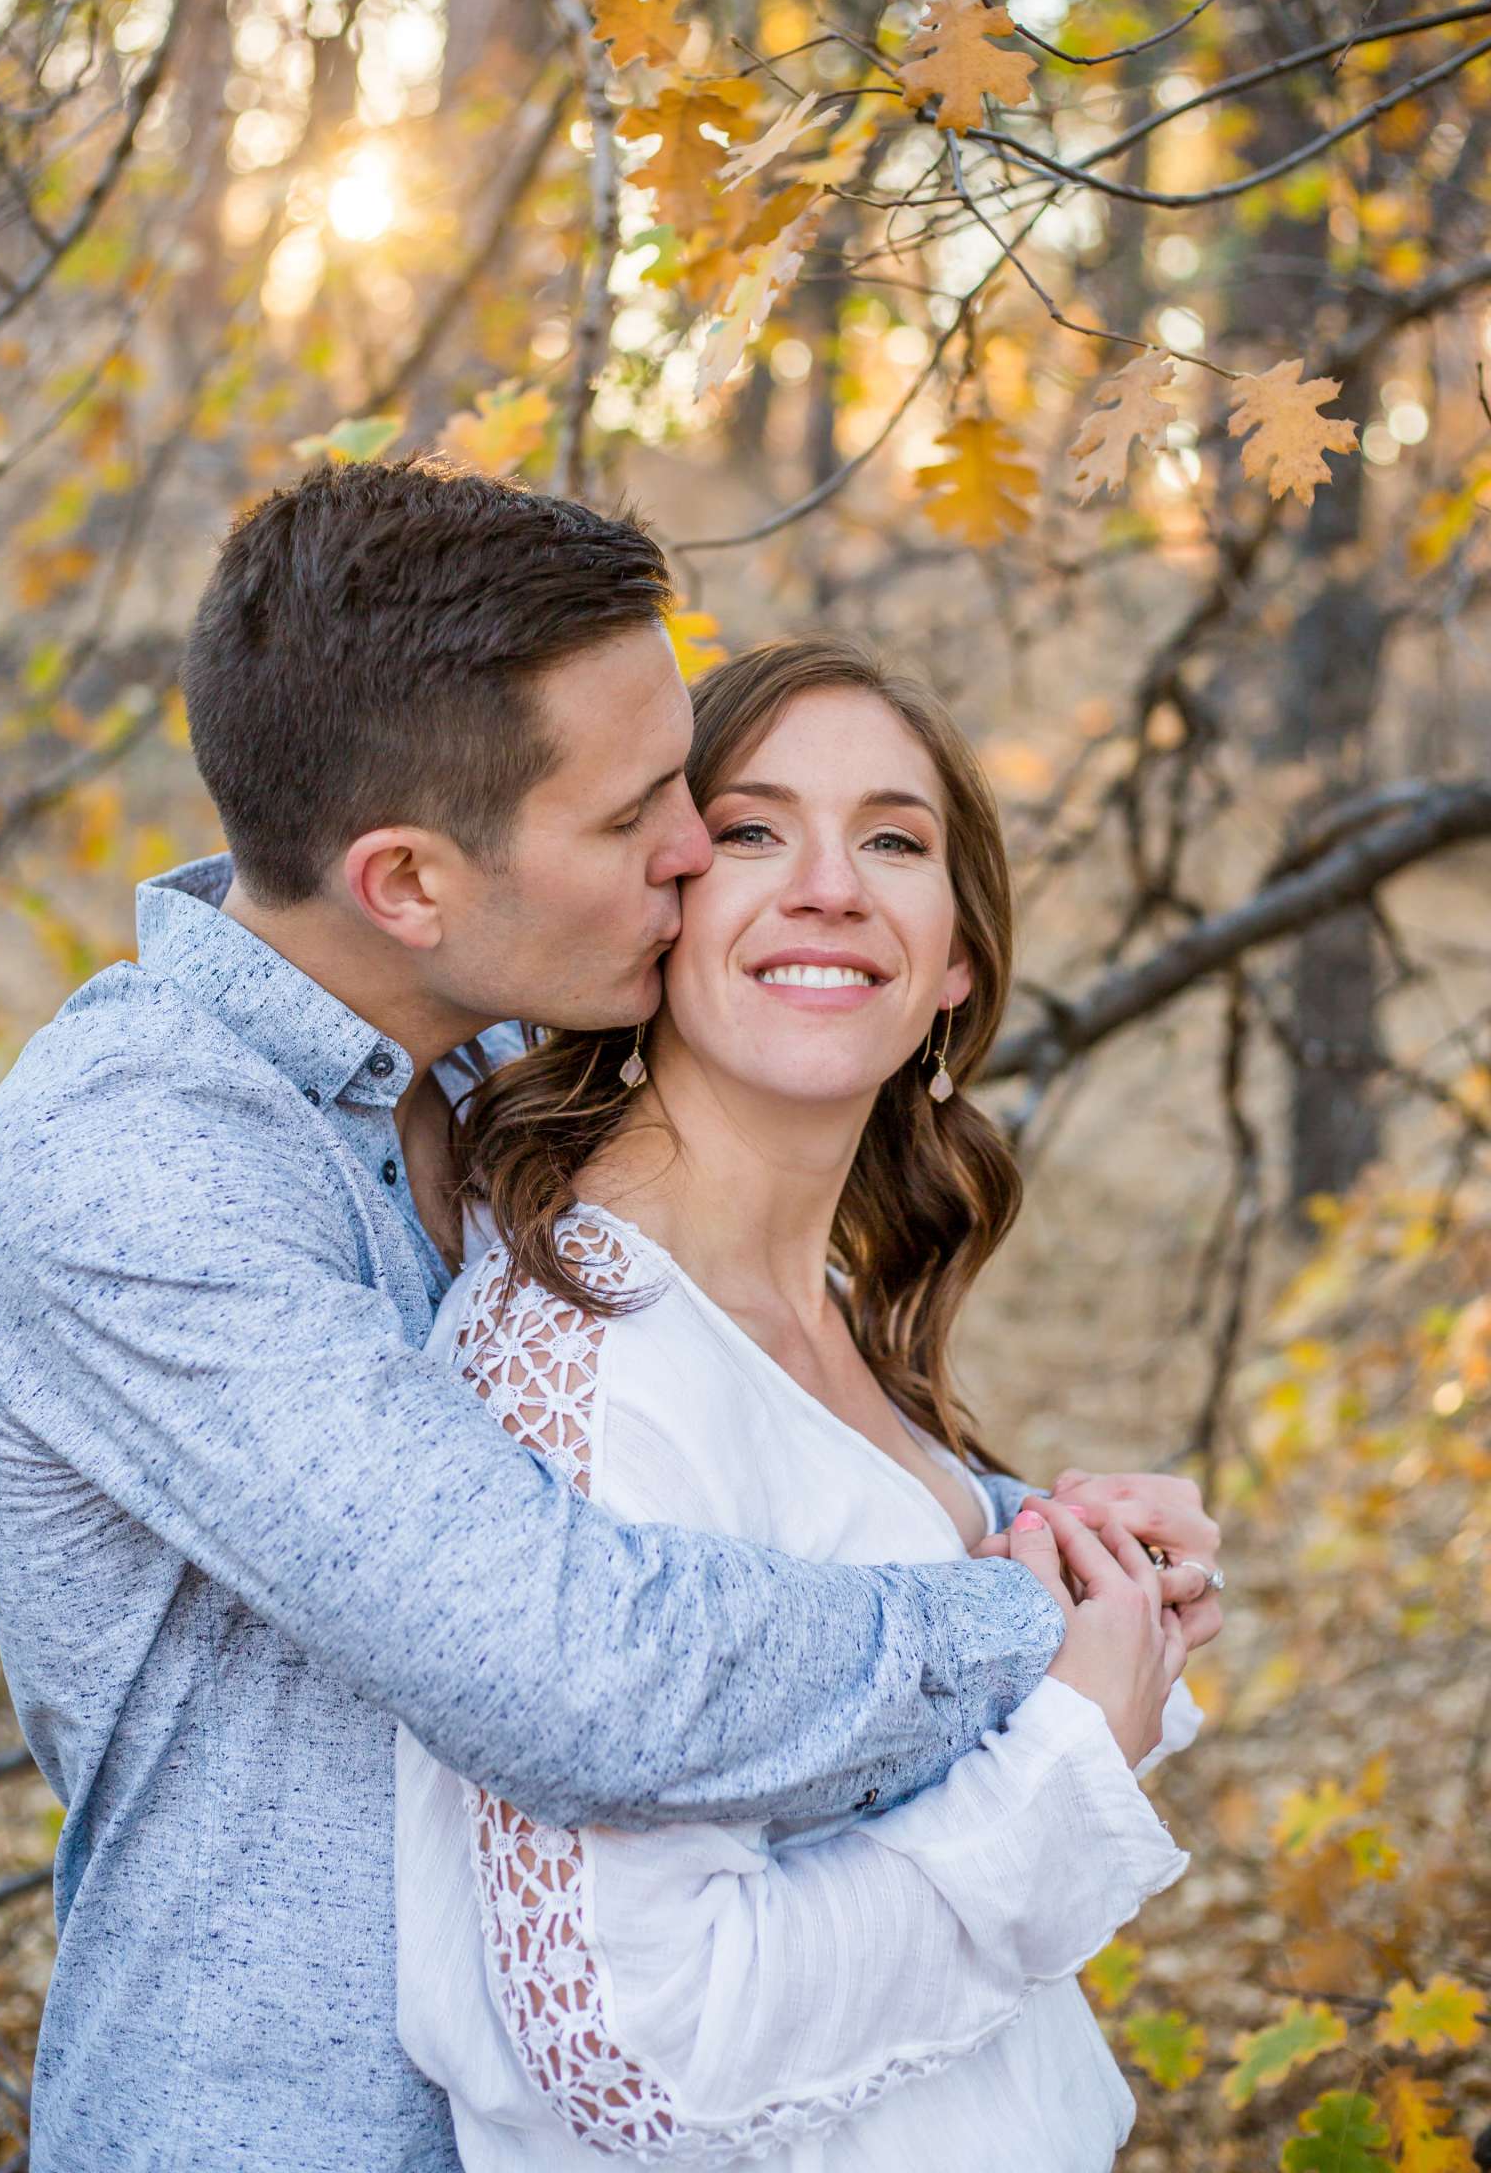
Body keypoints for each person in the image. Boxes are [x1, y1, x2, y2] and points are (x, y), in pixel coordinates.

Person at [0, 459, 1220, 2173]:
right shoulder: (138, 1167)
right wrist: (1019, 1631)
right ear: (406, 883)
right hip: (288, 2128)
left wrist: (1031, 1530)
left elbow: (731, 1449)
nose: (696, 860)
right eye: (642, 822)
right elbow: (572, 1661)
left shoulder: (479, 1063)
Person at [395, 635, 1217, 2170]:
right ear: (659, 907)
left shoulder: (818, 1306)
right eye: (754, 830)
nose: (831, 885)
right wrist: (1066, 1762)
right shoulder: (584, 1361)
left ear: (958, 955)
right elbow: (638, 2049)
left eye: (895, 840)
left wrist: (1088, 1596)